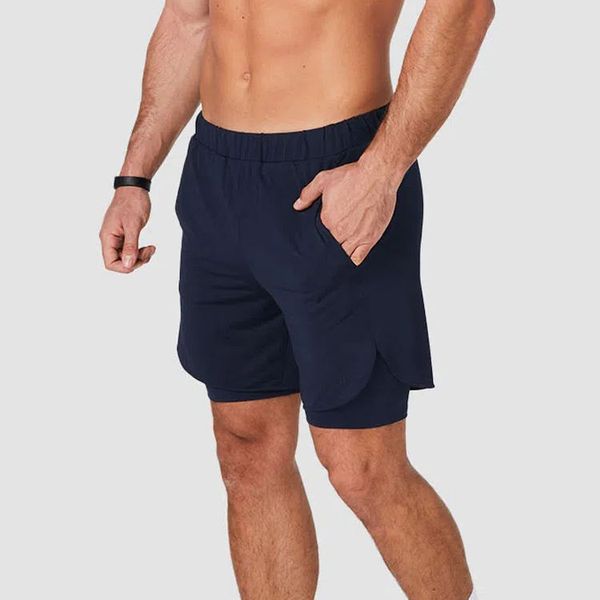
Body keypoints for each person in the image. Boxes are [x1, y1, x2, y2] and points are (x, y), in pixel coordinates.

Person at [100, 0, 494, 597]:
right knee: (247, 450)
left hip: (338, 173)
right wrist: (133, 179)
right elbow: (188, 17)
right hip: (218, 177)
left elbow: (465, 7)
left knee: (362, 468)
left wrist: (382, 169)